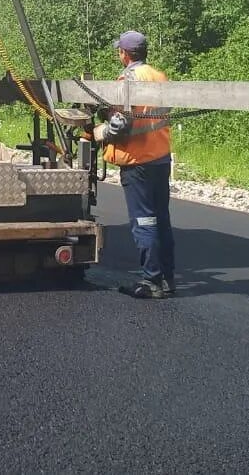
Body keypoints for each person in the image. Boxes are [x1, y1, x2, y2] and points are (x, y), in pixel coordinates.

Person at [94, 30, 175, 299]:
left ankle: (151, 281)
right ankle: (166, 279)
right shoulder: (160, 77)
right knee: (161, 219)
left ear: (125, 54)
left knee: (145, 220)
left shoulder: (129, 78)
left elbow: (123, 122)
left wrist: (101, 132)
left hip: (137, 162)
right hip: (160, 159)